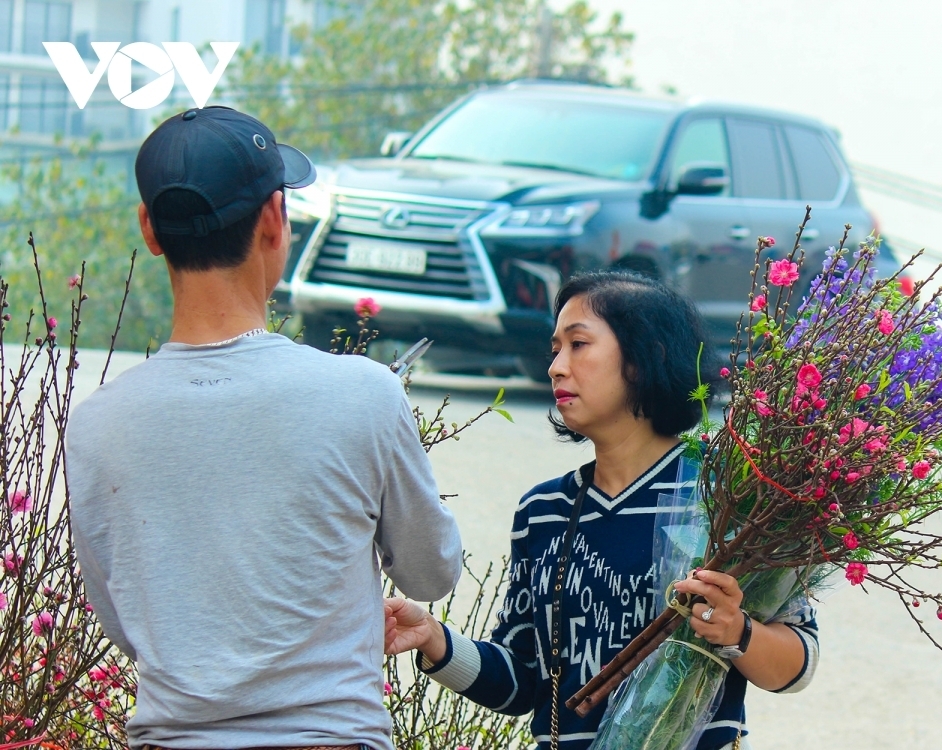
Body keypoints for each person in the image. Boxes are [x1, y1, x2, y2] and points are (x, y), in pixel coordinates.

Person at [66, 106, 462, 750]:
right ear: (276, 218)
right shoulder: (362, 394)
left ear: (150, 229)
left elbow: (121, 618)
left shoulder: (96, 425)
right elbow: (432, 572)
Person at [382, 272, 819, 750]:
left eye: (578, 344)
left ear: (646, 356)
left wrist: (737, 630)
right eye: (555, 349)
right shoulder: (544, 511)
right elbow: (523, 680)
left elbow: (798, 665)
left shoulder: (727, 494)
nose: (555, 367)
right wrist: (432, 639)